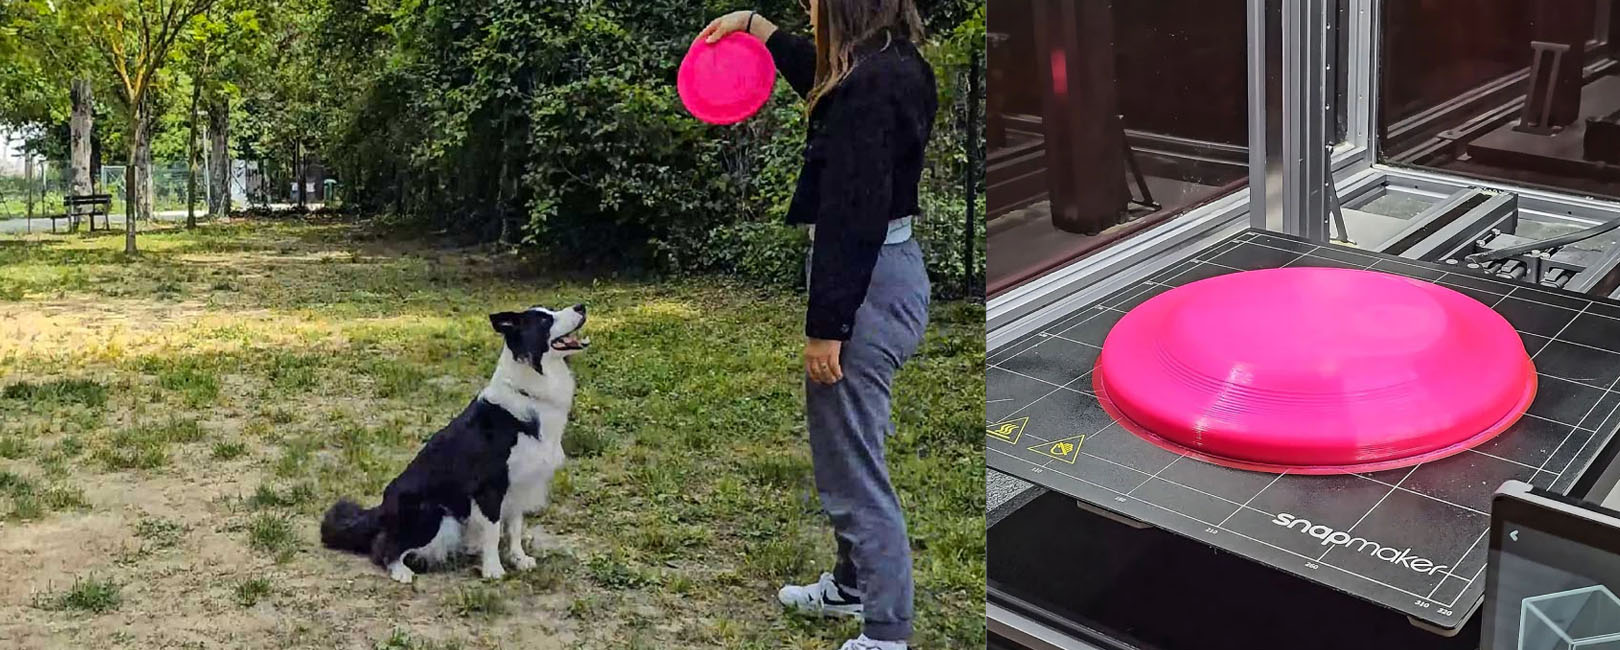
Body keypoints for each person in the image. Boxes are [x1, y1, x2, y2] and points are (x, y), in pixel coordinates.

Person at [699, 2, 936, 649]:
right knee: (852, 444)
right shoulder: (892, 62)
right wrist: (753, 27)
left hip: (867, 284)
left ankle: (886, 634)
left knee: (852, 467)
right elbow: (820, 77)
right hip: (888, 269)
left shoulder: (867, 86)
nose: (807, 5)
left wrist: (828, 324)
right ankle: (852, 586)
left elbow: (851, 215)